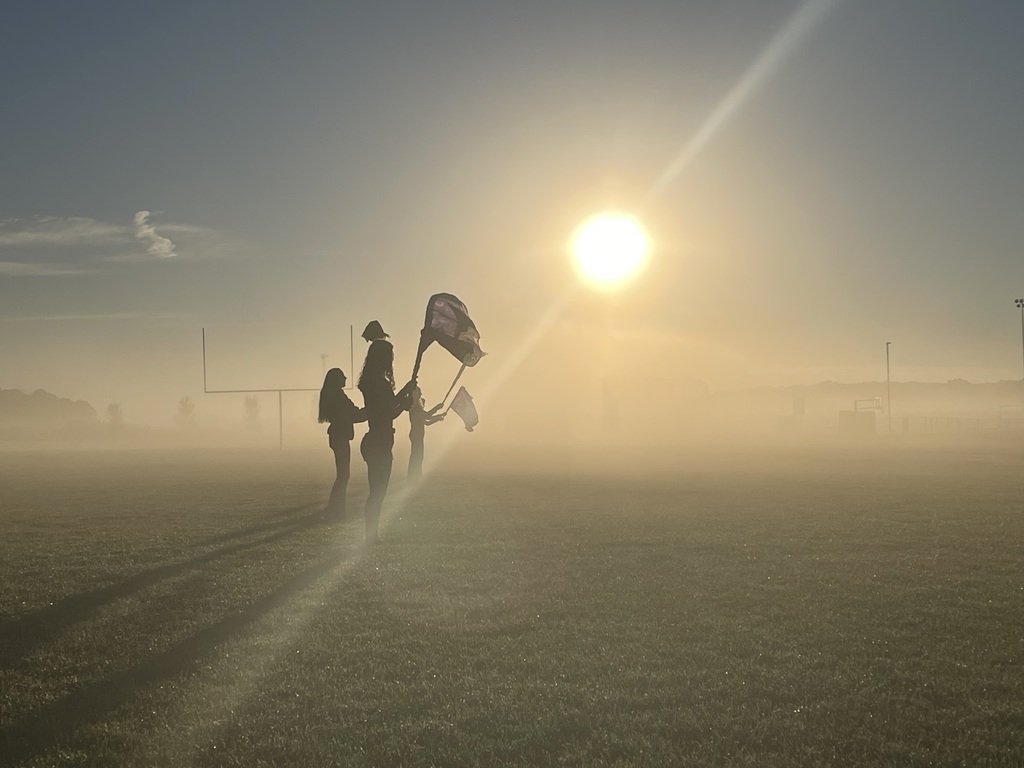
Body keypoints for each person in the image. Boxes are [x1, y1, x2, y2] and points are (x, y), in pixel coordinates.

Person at [358, 339, 413, 544]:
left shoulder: (370, 382)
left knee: (377, 492)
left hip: (374, 440)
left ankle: (372, 535)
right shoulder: (379, 383)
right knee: (378, 493)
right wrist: (404, 401)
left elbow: (386, 407)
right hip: (380, 442)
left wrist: (403, 397)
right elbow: (387, 412)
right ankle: (371, 536)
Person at [318, 368, 366, 521]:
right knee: (343, 475)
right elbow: (353, 414)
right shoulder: (338, 396)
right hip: (340, 436)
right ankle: (336, 510)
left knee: (342, 475)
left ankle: (335, 508)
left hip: (337, 436)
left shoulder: (333, 395)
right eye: (343, 376)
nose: (346, 378)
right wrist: (370, 411)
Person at [407, 386, 444, 482]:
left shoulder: (416, 407)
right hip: (416, 434)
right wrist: (437, 408)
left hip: (417, 434)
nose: (421, 394)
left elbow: (426, 421)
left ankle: (414, 476)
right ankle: (413, 477)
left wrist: (438, 417)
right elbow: (427, 416)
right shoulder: (414, 407)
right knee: (417, 456)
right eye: (419, 392)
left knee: (418, 455)